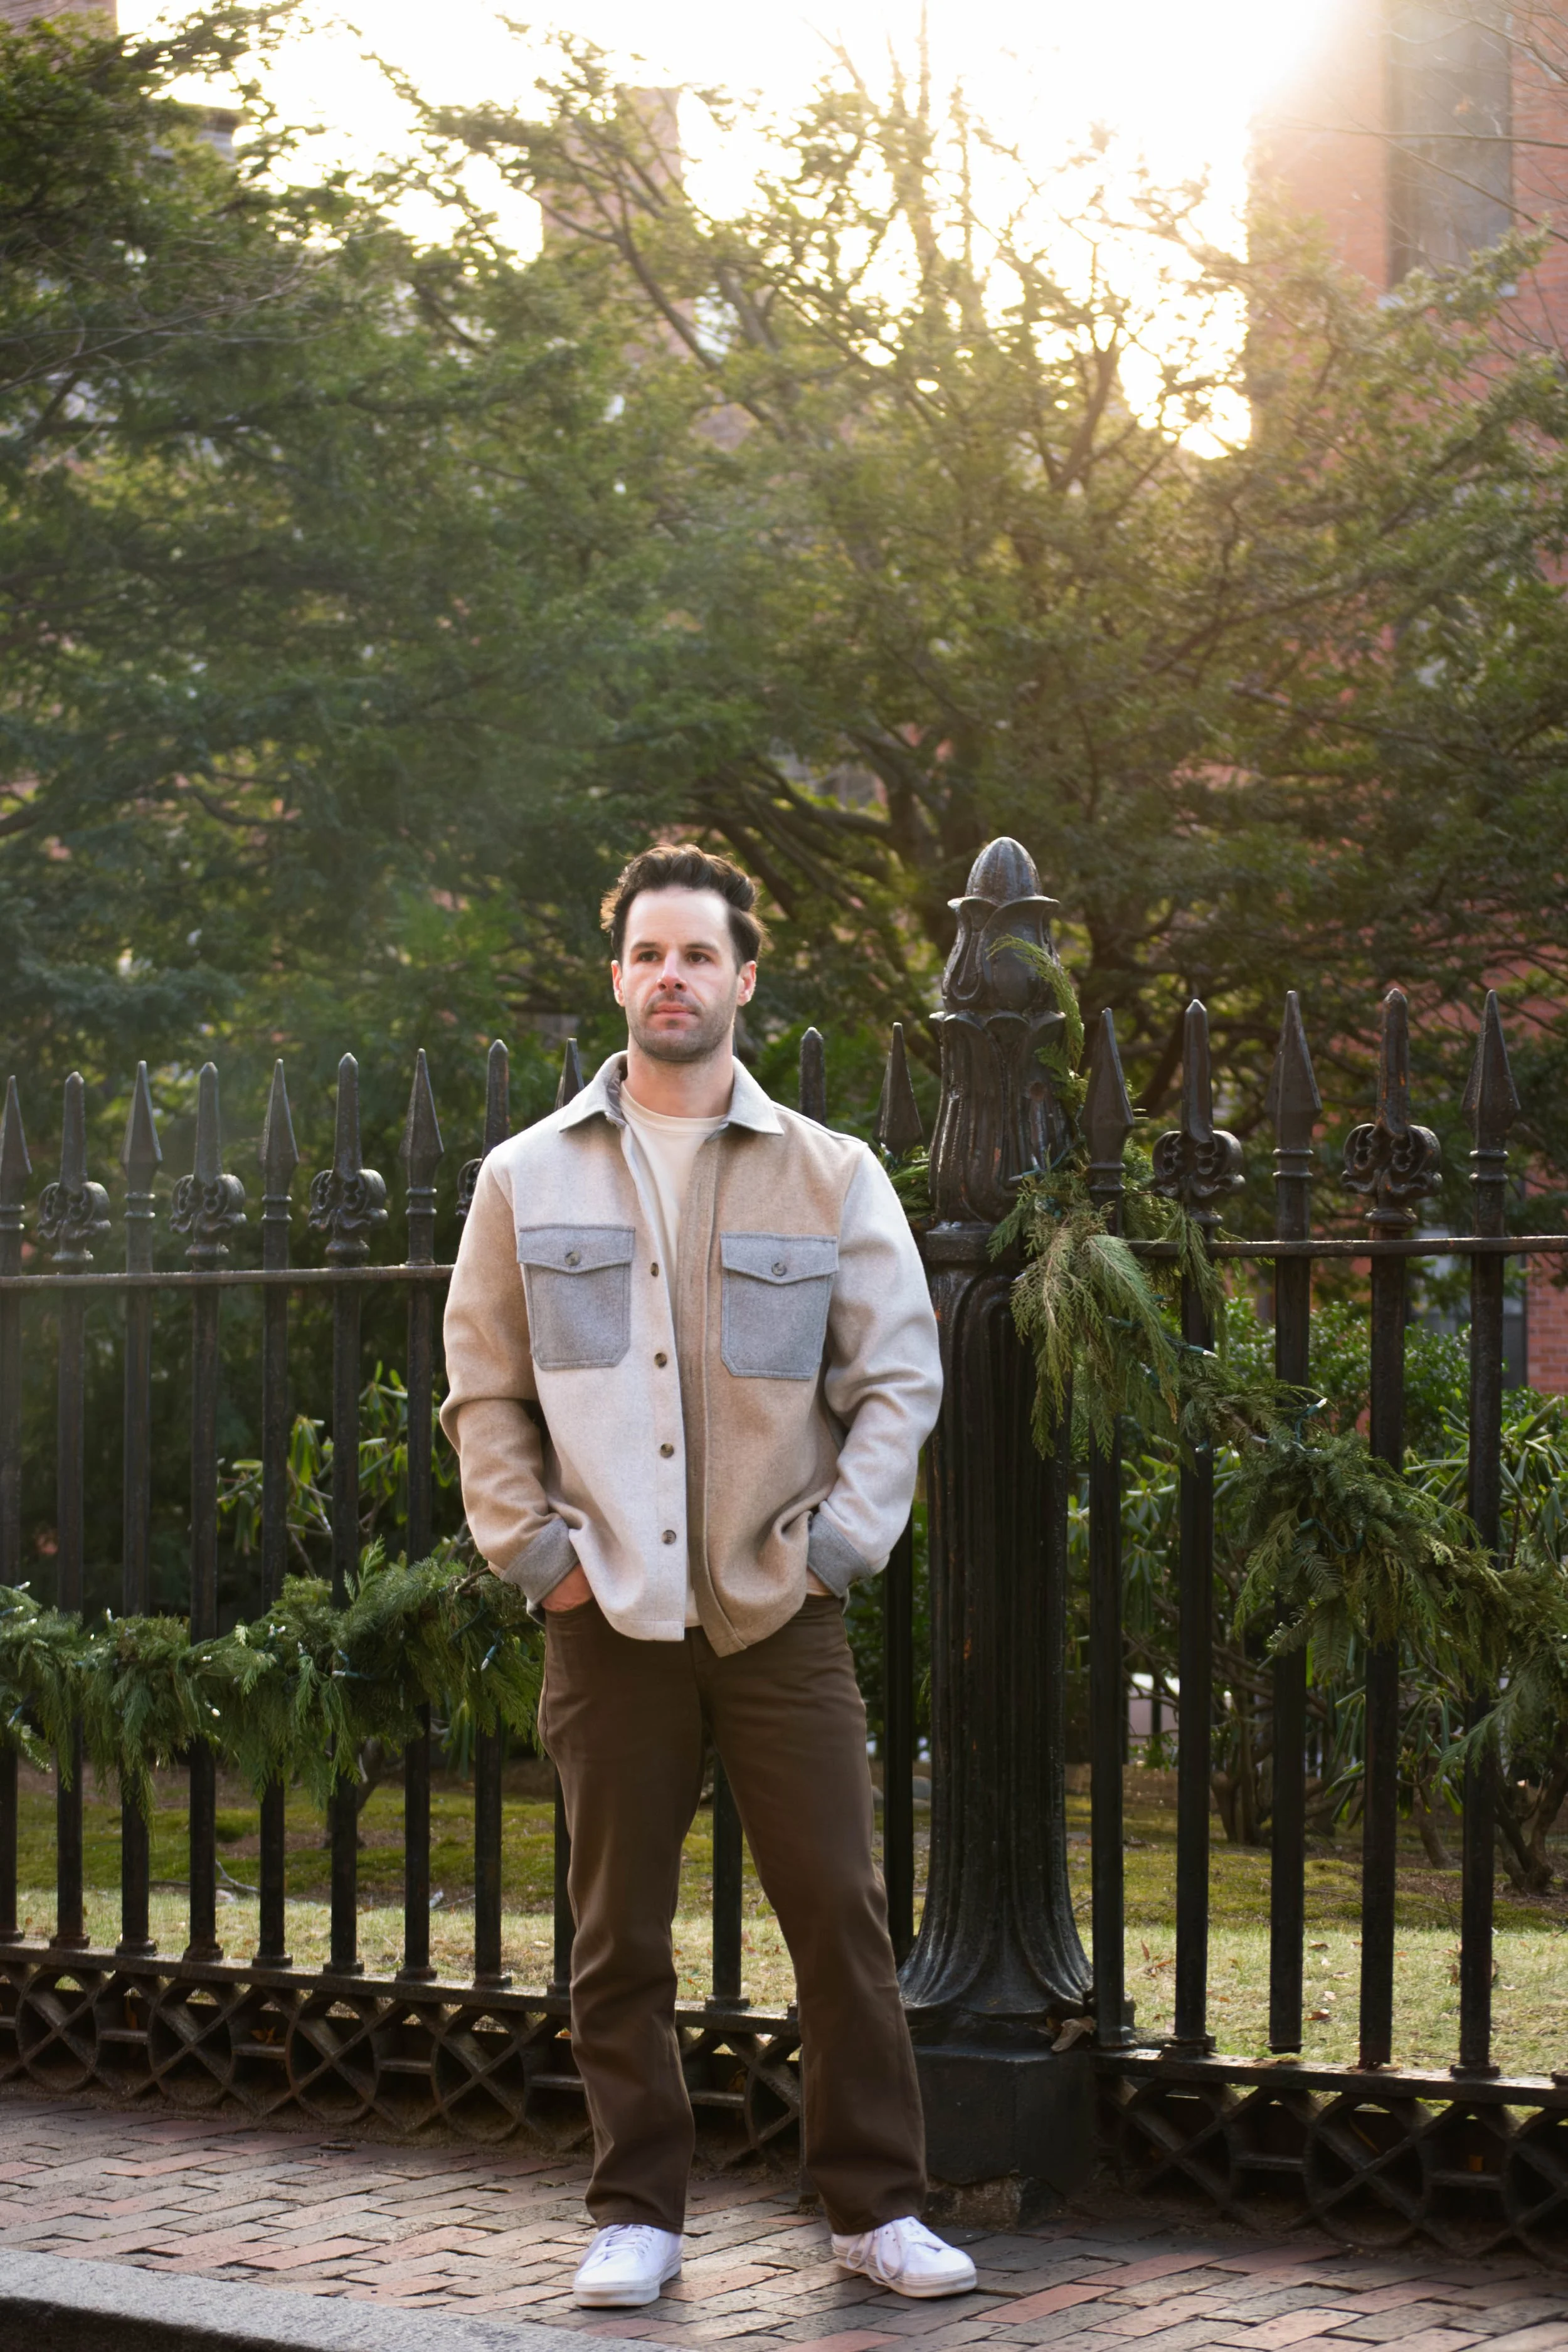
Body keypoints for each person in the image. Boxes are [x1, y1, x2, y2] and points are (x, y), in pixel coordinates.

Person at [441, 845, 977, 2310]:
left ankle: (876, 2210)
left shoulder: (829, 1172)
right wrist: (539, 1560)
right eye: (646, 954)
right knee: (614, 1931)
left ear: (743, 979)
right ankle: (637, 2211)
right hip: (603, 1615)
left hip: (776, 1613)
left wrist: (838, 1548)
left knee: (839, 1921)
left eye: (698, 955)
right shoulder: (524, 1174)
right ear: (615, 977)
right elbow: (483, 1392)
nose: (670, 976)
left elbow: (897, 1378)